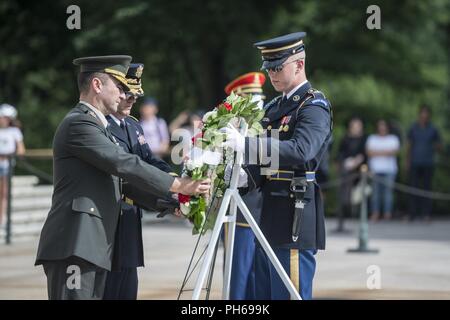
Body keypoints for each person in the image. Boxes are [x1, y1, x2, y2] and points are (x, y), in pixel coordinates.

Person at [35, 55, 210, 300]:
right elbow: (125, 164)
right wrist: (180, 185)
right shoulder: (79, 124)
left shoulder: (99, 126)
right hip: (76, 243)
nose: (124, 95)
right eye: (118, 87)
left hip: (93, 244)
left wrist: (175, 201)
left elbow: (124, 180)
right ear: (97, 85)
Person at [223, 32, 333, 300]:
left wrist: (247, 145)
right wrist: (244, 176)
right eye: (268, 67)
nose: (271, 73)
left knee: (289, 292)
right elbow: (267, 160)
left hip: (294, 213)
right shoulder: (275, 106)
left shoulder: (313, 106)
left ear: (298, 64)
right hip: (269, 215)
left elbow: (301, 150)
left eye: (277, 66)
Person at [103, 63, 178, 299]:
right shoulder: (99, 126)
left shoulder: (133, 126)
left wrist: (177, 183)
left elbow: (150, 162)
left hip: (130, 218)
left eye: (135, 95)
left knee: (128, 286)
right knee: (107, 288)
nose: (131, 100)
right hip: (108, 218)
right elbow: (127, 170)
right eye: (126, 93)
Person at [223, 72, 266, 300]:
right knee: (238, 274)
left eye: (260, 99)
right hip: (242, 209)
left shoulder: (266, 125)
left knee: (258, 276)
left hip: (263, 209)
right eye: (254, 100)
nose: (260, 104)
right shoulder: (232, 128)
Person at [406, 105, 442, 221]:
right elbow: (409, 146)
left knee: (427, 189)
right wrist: (407, 161)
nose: (424, 116)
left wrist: (437, 146)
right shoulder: (413, 128)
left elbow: (439, 145)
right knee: (413, 188)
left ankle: (426, 214)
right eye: (422, 114)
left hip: (428, 162)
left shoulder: (433, 129)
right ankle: (412, 214)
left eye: (426, 114)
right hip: (415, 162)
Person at [366, 119, 400, 221]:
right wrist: (386, 152)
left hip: (390, 170)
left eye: (383, 126)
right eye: (380, 126)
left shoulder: (393, 138)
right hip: (375, 170)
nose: (382, 128)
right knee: (375, 194)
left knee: (388, 194)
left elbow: (394, 152)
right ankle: (375, 213)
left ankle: (387, 214)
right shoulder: (372, 138)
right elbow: (369, 153)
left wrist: (377, 152)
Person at [336, 117, 367, 221]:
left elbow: (365, 154)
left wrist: (357, 161)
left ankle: (358, 215)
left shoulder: (364, 139)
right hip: (346, 170)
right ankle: (344, 215)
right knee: (345, 195)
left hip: (360, 171)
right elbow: (340, 154)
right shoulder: (345, 139)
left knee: (359, 195)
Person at [0, 104, 26, 225]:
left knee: (3, 193)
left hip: (6, 165)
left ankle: (1, 219)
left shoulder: (14, 131)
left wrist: (7, 155)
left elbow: (21, 150)